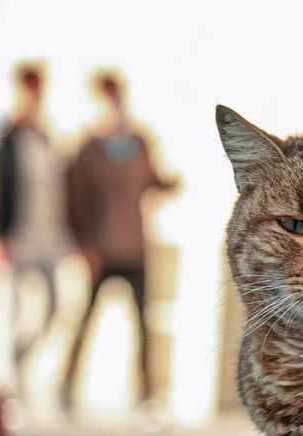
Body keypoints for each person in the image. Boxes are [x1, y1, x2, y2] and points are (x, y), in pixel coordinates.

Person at [63, 71, 176, 415]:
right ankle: (66, 386)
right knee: (84, 320)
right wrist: (84, 245)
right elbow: (75, 202)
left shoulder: (140, 142)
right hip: (101, 250)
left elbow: (153, 180)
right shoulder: (87, 149)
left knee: (142, 324)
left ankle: (146, 394)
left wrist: (172, 183)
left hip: (134, 248)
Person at [0, 64, 73, 385]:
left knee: (54, 306)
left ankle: (19, 358)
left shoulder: (47, 137)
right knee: (10, 307)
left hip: (49, 237)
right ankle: (9, 382)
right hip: (17, 235)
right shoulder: (6, 137)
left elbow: (60, 189)